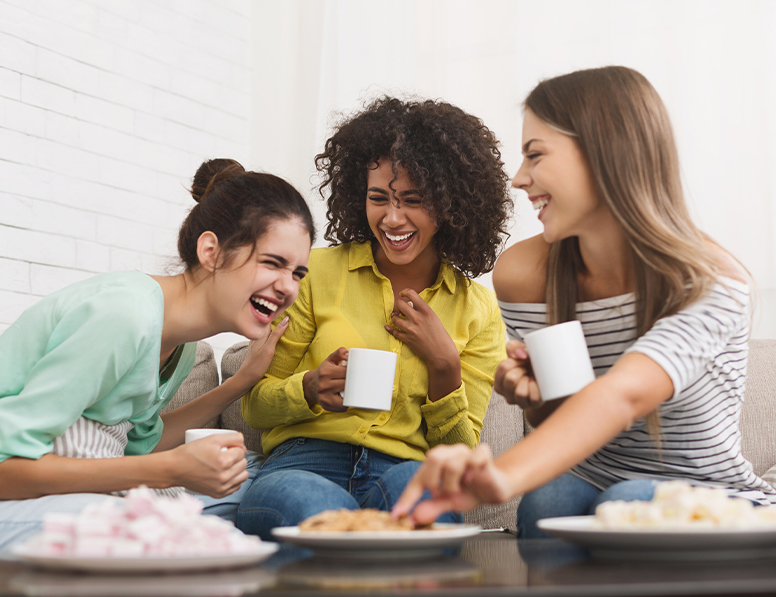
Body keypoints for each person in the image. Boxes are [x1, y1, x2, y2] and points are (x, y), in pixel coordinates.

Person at [393, 66, 776, 538]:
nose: (518, 178)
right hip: (590, 477)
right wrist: (532, 398)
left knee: (623, 502)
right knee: (549, 499)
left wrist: (497, 477)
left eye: (535, 155)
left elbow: (623, 395)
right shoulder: (525, 275)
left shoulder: (708, 281)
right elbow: (561, 417)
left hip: (709, 495)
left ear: (604, 152)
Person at [0, 159, 315, 551]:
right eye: (272, 263)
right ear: (211, 251)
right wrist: (170, 471)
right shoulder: (125, 314)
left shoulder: (178, 343)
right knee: (171, 536)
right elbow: (5, 470)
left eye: (298, 273)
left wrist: (242, 382)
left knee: (238, 504)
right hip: (15, 495)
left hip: (66, 498)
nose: (288, 287)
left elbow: (141, 445)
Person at [235, 96, 512, 539]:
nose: (392, 217)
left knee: (422, 512)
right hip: (306, 460)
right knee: (313, 509)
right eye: (378, 198)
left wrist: (445, 367)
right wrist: (307, 388)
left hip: (408, 467)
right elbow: (255, 405)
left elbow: (460, 453)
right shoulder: (314, 272)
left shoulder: (476, 308)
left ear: (450, 204)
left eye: (414, 200)